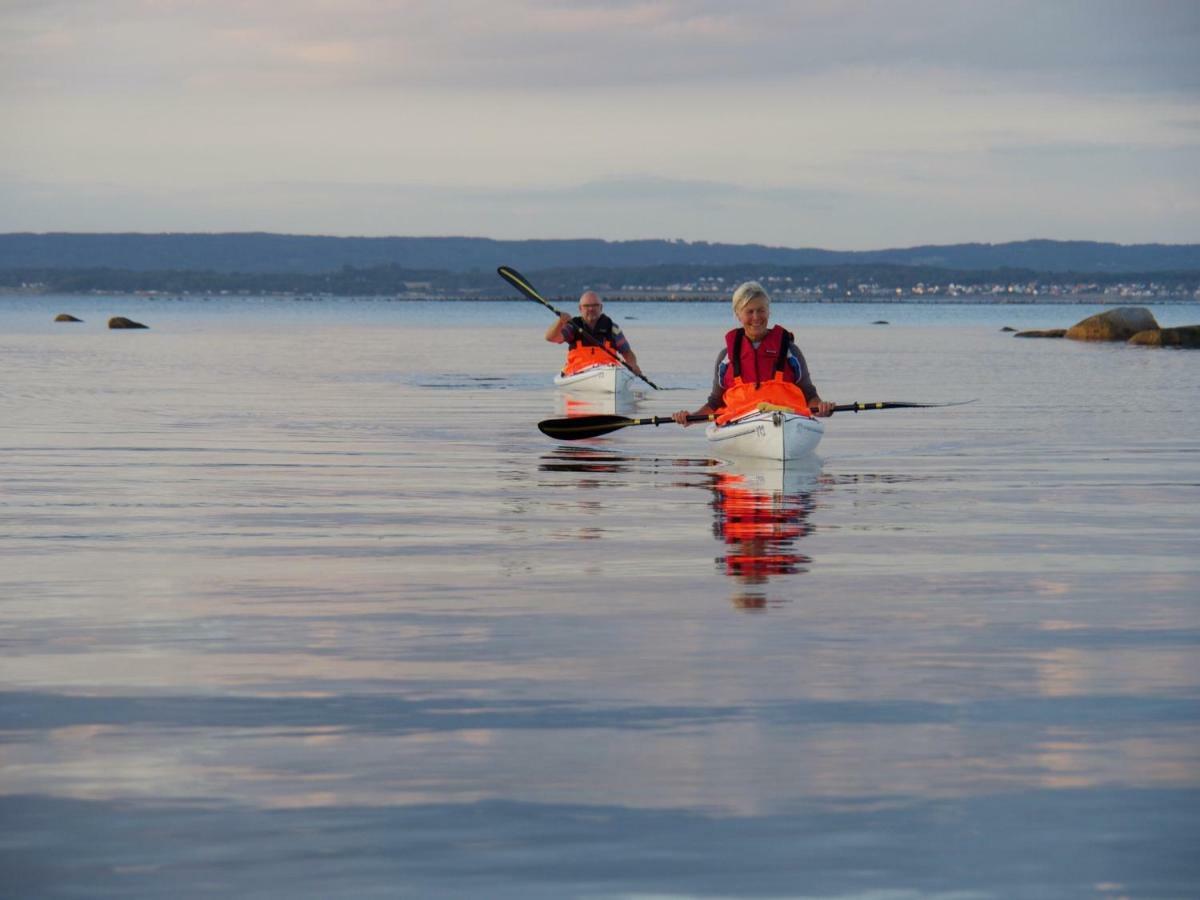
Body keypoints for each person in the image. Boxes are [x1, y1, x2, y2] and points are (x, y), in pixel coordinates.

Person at [672, 281, 834, 425]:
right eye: (749, 312)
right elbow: (715, 402)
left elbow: (809, 394)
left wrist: (821, 408)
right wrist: (691, 418)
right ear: (738, 315)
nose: (756, 317)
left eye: (761, 310)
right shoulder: (726, 357)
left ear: (769, 312)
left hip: (788, 420)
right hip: (740, 425)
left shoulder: (790, 351)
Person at [544, 290, 644, 378]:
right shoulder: (573, 326)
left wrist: (633, 364)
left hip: (608, 372)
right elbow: (551, 338)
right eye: (587, 306)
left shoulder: (612, 328)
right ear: (580, 308)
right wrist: (560, 322)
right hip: (578, 373)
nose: (591, 309)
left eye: (595, 305)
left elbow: (627, 353)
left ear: (601, 307)